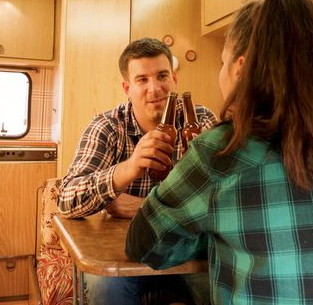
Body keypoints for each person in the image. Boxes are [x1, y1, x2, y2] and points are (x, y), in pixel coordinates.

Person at [126, 0, 313, 304]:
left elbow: (144, 245)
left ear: (239, 68)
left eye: (222, 62)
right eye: (142, 80)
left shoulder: (220, 150)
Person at [58, 37, 217, 305]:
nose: (154, 89)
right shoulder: (107, 127)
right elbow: (66, 200)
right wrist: (128, 168)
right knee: (106, 287)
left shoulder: (199, 120)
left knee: (222, 281)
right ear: (127, 87)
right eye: (142, 79)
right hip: (123, 251)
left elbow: (224, 193)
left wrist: (144, 206)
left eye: (162, 76)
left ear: (174, 79)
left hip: (188, 246)